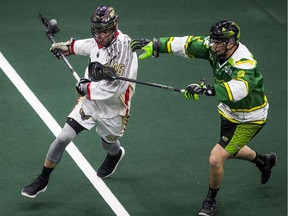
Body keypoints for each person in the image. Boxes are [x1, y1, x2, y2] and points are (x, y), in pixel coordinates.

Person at [130, 20, 277, 216]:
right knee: (230, 149)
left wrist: (208, 89)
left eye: (219, 43)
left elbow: (239, 89)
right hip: (229, 112)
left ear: (232, 42)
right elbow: (187, 44)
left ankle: (210, 200)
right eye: (213, 41)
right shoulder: (214, 47)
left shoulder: (244, 62)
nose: (213, 46)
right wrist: (156, 44)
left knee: (217, 158)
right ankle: (263, 160)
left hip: (250, 117)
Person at [21, 5, 138, 198]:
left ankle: (115, 154)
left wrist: (87, 88)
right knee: (63, 137)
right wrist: (65, 48)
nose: (99, 35)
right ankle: (42, 180)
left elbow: (116, 88)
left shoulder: (124, 49)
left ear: (114, 27)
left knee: (108, 144)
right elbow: (87, 45)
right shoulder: (100, 40)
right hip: (91, 102)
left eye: (103, 31)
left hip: (114, 108)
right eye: (96, 30)